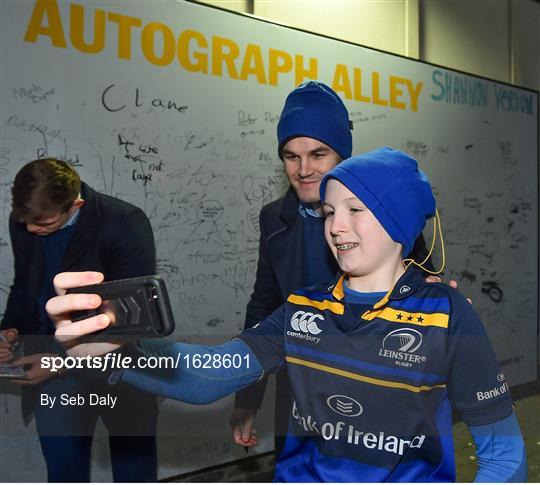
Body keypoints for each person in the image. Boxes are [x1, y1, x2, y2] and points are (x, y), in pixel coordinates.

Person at [47, 147, 526, 482]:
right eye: (328, 211)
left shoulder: (448, 315)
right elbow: (206, 377)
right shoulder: (302, 308)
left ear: (398, 221)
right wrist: (117, 352)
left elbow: (502, 453)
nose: (336, 226)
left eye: (356, 210)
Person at [231, 80, 435, 452]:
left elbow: (424, 292)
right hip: (298, 398)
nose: (303, 169)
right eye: (291, 156)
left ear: (343, 155)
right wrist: (248, 397)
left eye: (318, 154)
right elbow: (263, 307)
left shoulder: (387, 209)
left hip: (377, 397)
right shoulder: (273, 220)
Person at [0, 158, 158, 482]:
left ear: (76, 204)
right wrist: (8, 329)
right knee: (64, 473)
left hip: (121, 370)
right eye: (25, 220)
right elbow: (26, 285)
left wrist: (58, 361)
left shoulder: (125, 221)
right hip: (53, 376)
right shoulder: (23, 222)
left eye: (42, 223)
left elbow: (134, 319)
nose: (31, 229)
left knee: (134, 473)